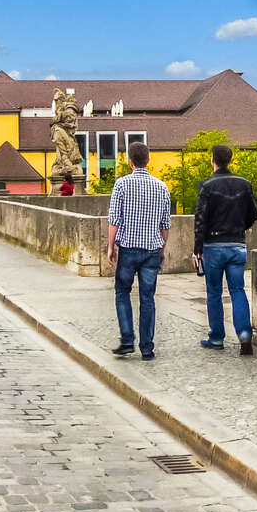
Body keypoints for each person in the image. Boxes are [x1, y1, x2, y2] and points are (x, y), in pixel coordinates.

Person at [106, 141, 171, 362]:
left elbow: (114, 219)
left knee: (122, 293)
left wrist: (110, 247)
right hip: (152, 250)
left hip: (128, 250)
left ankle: (127, 340)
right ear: (148, 160)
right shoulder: (161, 187)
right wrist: (162, 249)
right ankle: (147, 348)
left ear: (130, 161)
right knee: (147, 298)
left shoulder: (122, 184)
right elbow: (165, 224)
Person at [194, 143, 257, 355]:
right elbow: (253, 215)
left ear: (212, 160)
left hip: (213, 246)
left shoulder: (207, 186)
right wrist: (239, 229)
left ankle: (216, 338)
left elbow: (200, 220)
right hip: (237, 245)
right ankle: (244, 335)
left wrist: (197, 249)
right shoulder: (244, 184)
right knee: (237, 290)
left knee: (214, 292)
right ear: (229, 160)